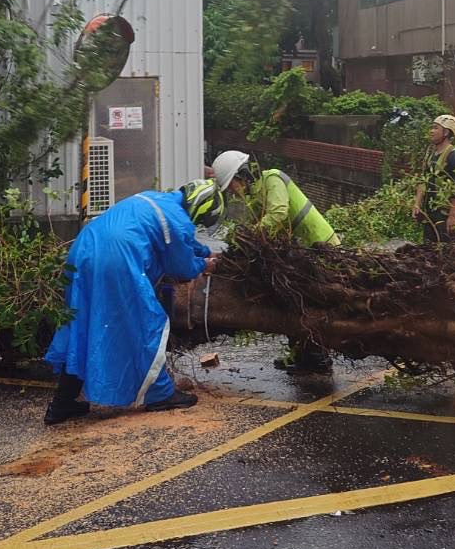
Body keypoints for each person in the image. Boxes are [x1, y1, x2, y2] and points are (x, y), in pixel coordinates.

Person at [43, 179, 225, 425]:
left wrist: (204, 252)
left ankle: (62, 404)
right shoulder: (177, 219)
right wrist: (205, 264)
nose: (197, 224)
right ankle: (160, 395)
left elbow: (182, 242)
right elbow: (181, 265)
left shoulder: (158, 200)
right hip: (116, 261)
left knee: (81, 326)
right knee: (146, 324)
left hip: (83, 250)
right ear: (201, 208)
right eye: (201, 220)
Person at [212, 150, 340, 373]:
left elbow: (278, 214)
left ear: (242, 175)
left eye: (232, 185)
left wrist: (249, 236)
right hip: (302, 254)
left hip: (320, 247)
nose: (232, 192)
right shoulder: (254, 197)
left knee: (307, 303)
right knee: (289, 300)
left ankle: (317, 358)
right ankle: (302, 355)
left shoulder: (273, 178)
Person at [411, 114, 455, 245]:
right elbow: (423, 181)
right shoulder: (432, 155)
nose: (431, 131)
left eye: (436, 128)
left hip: (445, 215)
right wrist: (417, 204)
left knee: (446, 249)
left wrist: (453, 216)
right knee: (428, 250)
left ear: (446, 132)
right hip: (430, 214)